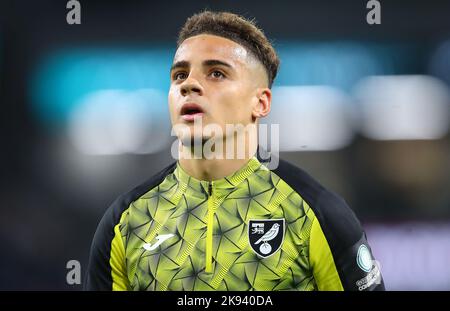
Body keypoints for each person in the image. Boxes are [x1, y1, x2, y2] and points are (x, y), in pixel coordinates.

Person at [85, 10, 384, 291]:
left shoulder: (319, 214)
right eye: (179, 75)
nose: (189, 84)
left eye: (216, 73)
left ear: (261, 103)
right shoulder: (125, 222)